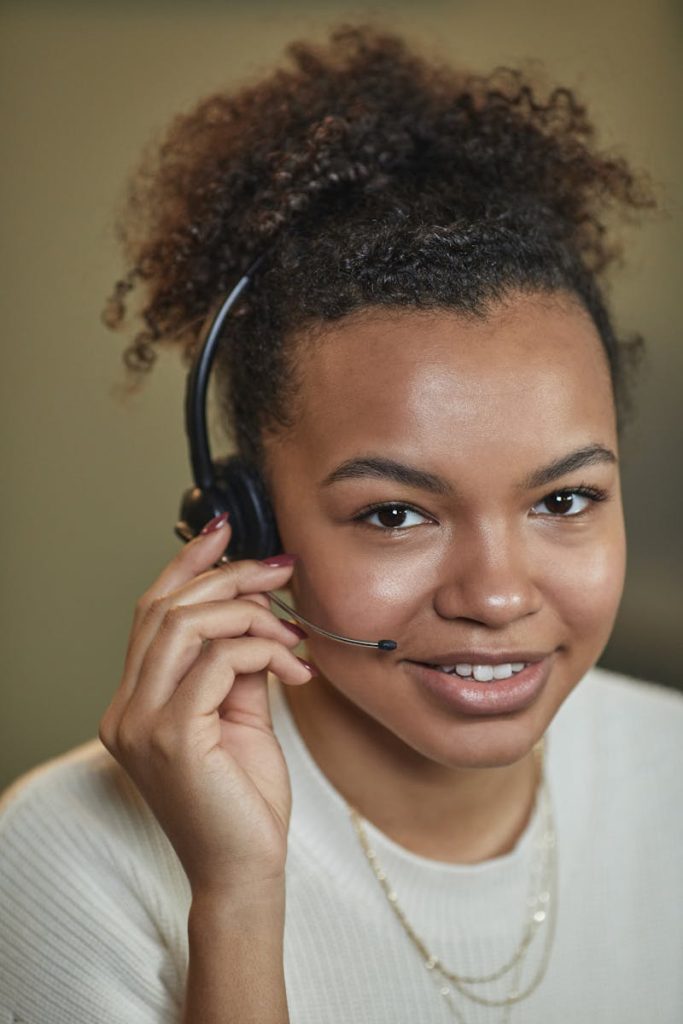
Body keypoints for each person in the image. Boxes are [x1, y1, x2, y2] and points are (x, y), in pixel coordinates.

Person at [0, 23, 681, 1024]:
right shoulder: (65, 854)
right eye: (396, 512)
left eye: (562, 499)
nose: (495, 594)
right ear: (243, 520)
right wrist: (233, 902)